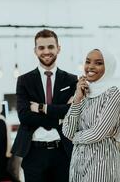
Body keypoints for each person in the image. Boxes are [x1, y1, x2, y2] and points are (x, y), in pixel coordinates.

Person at [11, 29, 77, 182]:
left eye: (50, 47)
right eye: (41, 48)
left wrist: (41, 108)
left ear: (58, 48)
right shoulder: (24, 81)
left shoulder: (71, 80)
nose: (46, 51)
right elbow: (25, 116)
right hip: (33, 152)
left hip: (63, 151)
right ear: (35, 51)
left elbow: (71, 113)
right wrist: (58, 118)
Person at [62, 49, 120, 182]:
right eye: (88, 62)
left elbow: (98, 133)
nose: (91, 66)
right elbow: (67, 130)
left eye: (98, 63)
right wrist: (77, 98)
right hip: (77, 164)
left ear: (108, 67)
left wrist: (75, 137)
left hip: (101, 163)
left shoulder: (112, 92)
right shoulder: (84, 91)